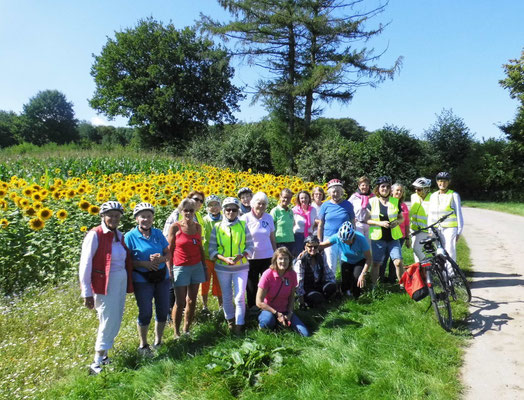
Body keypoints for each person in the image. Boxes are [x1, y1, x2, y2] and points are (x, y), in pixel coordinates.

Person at [79, 201, 133, 375]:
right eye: (110, 215)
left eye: (117, 216)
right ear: (102, 216)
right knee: (108, 319)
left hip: (119, 282)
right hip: (105, 283)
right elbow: (85, 264)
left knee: (115, 318)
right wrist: (86, 292)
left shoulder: (119, 234)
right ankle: (96, 362)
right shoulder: (95, 235)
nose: (114, 219)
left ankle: (104, 357)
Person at [124, 203, 170, 355]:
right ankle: (143, 345)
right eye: (143, 216)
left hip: (161, 276)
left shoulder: (157, 234)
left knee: (163, 310)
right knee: (145, 312)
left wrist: (161, 259)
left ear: (153, 218)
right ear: (137, 219)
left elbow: (168, 254)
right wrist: (143, 263)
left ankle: (158, 341)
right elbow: (126, 260)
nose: (146, 219)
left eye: (149, 216)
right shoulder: (130, 237)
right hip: (142, 279)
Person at [209, 197, 254, 334]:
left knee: (240, 296)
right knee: (227, 295)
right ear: (223, 211)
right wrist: (223, 258)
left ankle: (239, 325)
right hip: (223, 267)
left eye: (234, 209)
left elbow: (250, 245)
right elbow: (211, 249)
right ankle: (230, 321)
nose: (231, 212)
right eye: (228, 209)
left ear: (237, 211)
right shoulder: (217, 227)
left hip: (240, 266)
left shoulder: (242, 225)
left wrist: (241, 255)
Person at [167, 198, 208, 338]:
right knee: (180, 301)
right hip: (180, 267)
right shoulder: (175, 227)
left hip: (196, 266)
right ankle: (176, 332)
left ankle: (186, 329)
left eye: (191, 210)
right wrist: (169, 269)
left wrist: (204, 267)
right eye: (186, 210)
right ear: (181, 211)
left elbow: (200, 248)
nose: (189, 213)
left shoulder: (197, 227)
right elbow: (169, 250)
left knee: (192, 300)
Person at [256, 247, 310, 337]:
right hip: (269, 310)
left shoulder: (292, 274)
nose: (283, 261)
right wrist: (277, 314)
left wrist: (289, 313)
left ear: (289, 260)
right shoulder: (267, 274)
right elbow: (259, 302)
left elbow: (292, 297)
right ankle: (264, 328)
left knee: (305, 334)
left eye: (286, 259)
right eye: (280, 258)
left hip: (285, 310)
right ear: (275, 260)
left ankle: (281, 324)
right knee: (267, 322)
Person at [365, 176, 404, 285]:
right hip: (378, 238)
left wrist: (397, 222)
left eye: (387, 187)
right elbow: (367, 220)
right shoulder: (372, 202)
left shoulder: (395, 201)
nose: (385, 189)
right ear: (378, 189)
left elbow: (401, 218)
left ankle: (403, 285)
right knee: (377, 263)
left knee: (398, 262)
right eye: (383, 187)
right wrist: (380, 223)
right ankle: (374, 287)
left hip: (393, 237)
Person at [240, 191, 277, 310]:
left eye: (263, 204)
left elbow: (272, 237)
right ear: (252, 204)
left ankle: (268, 305)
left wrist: (275, 254)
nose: (261, 206)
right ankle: (252, 307)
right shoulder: (244, 218)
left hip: (267, 256)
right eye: (258, 203)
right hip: (251, 257)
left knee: (268, 283)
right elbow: (240, 238)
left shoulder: (269, 218)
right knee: (251, 285)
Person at [319, 221, 372, 299]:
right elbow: (323, 245)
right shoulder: (337, 237)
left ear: (353, 236)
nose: (345, 242)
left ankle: (357, 297)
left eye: (347, 240)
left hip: (359, 260)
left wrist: (363, 274)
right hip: (346, 259)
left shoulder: (361, 239)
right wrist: (307, 249)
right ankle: (343, 295)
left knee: (357, 278)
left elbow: (369, 258)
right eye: (343, 241)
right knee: (345, 282)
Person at [317, 179, 355, 277]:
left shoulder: (348, 205)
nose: (336, 194)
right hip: (329, 238)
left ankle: (345, 286)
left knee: (345, 262)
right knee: (330, 263)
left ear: (341, 192)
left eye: (338, 191)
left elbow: (353, 222)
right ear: (329, 193)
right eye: (333, 192)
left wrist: (353, 237)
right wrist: (319, 240)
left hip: (345, 239)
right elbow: (321, 224)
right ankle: (331, 285)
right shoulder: (325, 205)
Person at [428, 172, 464, 267]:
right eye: (440, 181)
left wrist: (459, 231)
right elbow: (430, 214)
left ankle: (451, 274)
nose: (442, 184)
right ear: (437, 182)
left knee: (450, 251)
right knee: (439, 252)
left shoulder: (453, 195)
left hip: (450, 228)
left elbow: (458, 214)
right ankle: (443, 274)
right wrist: (429, 230)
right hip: (436, 229)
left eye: (444, 181)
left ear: (448, 182)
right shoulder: (433, 196)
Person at [379, 183, 411, 283]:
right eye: (397, 190)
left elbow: (406, 223)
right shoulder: (388, 203)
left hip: (400, 236)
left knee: (396, 259)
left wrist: (407, 237)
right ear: (391, 191)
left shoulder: (404, 206)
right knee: (384, 257)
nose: (399, 192)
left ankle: (392, 278)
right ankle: (380, 278)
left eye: (401, 191)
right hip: (387, 235)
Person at [294, 235, 336, 307]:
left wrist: (334, 286)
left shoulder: (321, 257)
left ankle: (324, 299)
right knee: (317, 298)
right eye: (310, 247)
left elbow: (328, 273)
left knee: (331, 286)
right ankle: (311, 301)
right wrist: (301, 300)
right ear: (305, 247)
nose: (313, 249)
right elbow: (299, 283)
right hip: (307, 289)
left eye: (315, 247)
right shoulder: (301, 262)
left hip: (318, 285)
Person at [200, 195, 223, 312]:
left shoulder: (224, 219)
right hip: (207, 256)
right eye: (210, 205)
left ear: (220, 206)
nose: (213, 207)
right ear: (206, 208)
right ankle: (204, 306)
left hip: (220, 257)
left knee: (219, 283)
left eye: (216, 204)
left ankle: (221, 306)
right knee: (205, 281)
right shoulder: (204, 220)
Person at [409, 177, 432, 262]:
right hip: (414, 229)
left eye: (419, 189)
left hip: (425, 230)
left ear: (426, 189)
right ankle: (420, 270)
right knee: (416, 251)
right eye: (415, 189)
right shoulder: (413, 197)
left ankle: (429, 266)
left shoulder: (432, 198)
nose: (416, 191)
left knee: (417, 249)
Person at [348, 176, 374, 245]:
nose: (365, 187)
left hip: (370, 225)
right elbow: (347, 208)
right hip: (358, 224)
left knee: (369, 246)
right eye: (363, 185)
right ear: (359, 186)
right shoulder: (354, 197)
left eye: (367, 185)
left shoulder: (373, 197)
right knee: (359, 244)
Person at [292, 190, 317, 257]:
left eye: (306, 198)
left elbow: (315, 223)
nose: (304, 200)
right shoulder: (294, 211)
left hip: (310, 237)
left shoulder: (313, 210)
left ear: (309, 199)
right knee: (299, 256)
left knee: (309, 256)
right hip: (298, 237)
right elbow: (292, 224)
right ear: (299, 199)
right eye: (302, 198)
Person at [270, 188, 295, 254]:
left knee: (289, 263)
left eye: (289, 198)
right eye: (284, 197)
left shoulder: (291, 211)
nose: (286, 200)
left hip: (291, 241)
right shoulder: (275, 211)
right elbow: (271, 229)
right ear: (280, 197)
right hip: (279, 242)